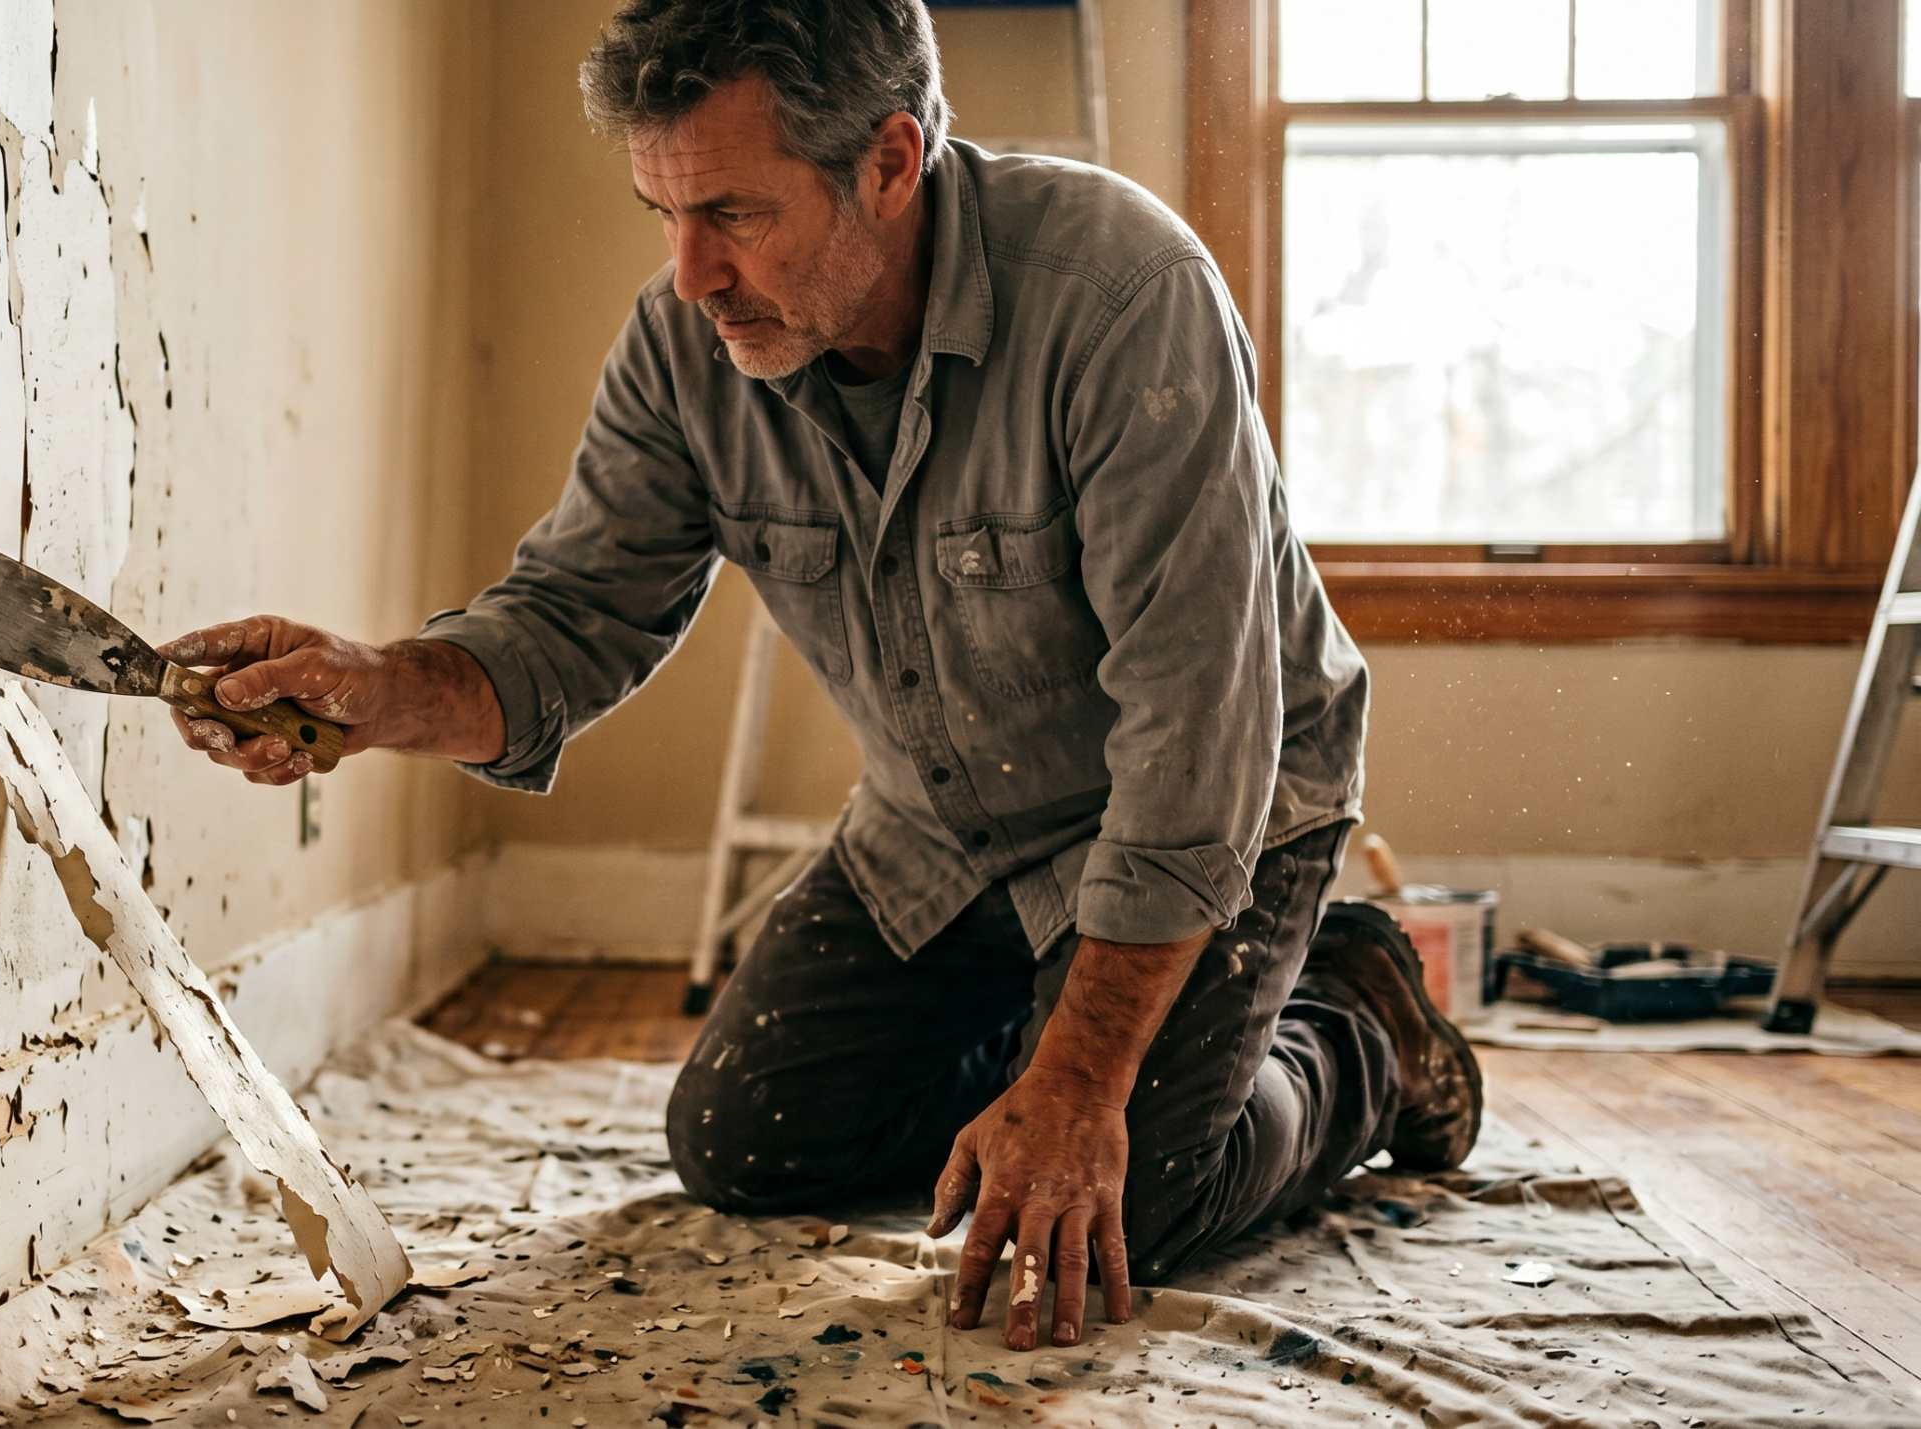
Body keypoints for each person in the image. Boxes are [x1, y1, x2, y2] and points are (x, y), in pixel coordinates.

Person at [153, 0, 1481, 1354]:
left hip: (1218, 816)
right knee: (745, 1144)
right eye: (661, 213)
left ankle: (1362, 1031)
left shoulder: (1124, 297)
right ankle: (1051, 1050)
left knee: (1131, 1196)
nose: (690, 275)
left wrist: (1084, 1085)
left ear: (891, 162)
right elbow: (571, 618)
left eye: (733, 213)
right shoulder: (687, 349)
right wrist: (382, 688)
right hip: (947, 829)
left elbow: (1199, 743)